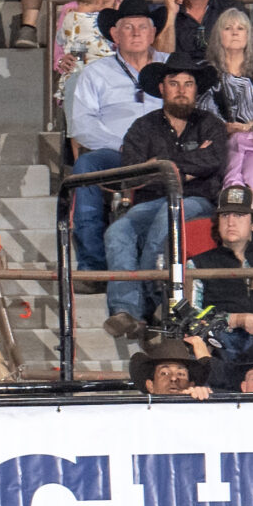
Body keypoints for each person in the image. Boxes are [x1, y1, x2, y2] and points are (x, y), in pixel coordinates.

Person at [102, 60, 230, 339]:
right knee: (117, 231)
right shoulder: (142, 127)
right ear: (161, 88)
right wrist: (184, 168)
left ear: (196, 90)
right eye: (174, 84)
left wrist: (159, 165)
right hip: (148, 203)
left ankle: (150, 302)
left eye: (188, 84)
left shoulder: (211, 125)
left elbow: (212, 162)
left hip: (197, 201)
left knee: (167, 217)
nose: (181, 90)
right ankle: (125, 312)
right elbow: (133, 174)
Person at [63, 0, 168, 268]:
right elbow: (83, 125)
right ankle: (91, 261)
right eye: (128, 27)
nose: (136, 33)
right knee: (86, 166)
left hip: (169, 153)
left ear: (153, 32)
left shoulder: (171, 68)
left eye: (143, 26)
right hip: (117, 153)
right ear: (114, 33)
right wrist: (124, 144)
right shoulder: (95, 73)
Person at [187, 183, 253, 356]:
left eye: (239, 215)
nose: (231, 222)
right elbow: (191, 318)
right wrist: (237, 320)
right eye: (225, 215)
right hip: (220, 344)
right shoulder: (197, 264)